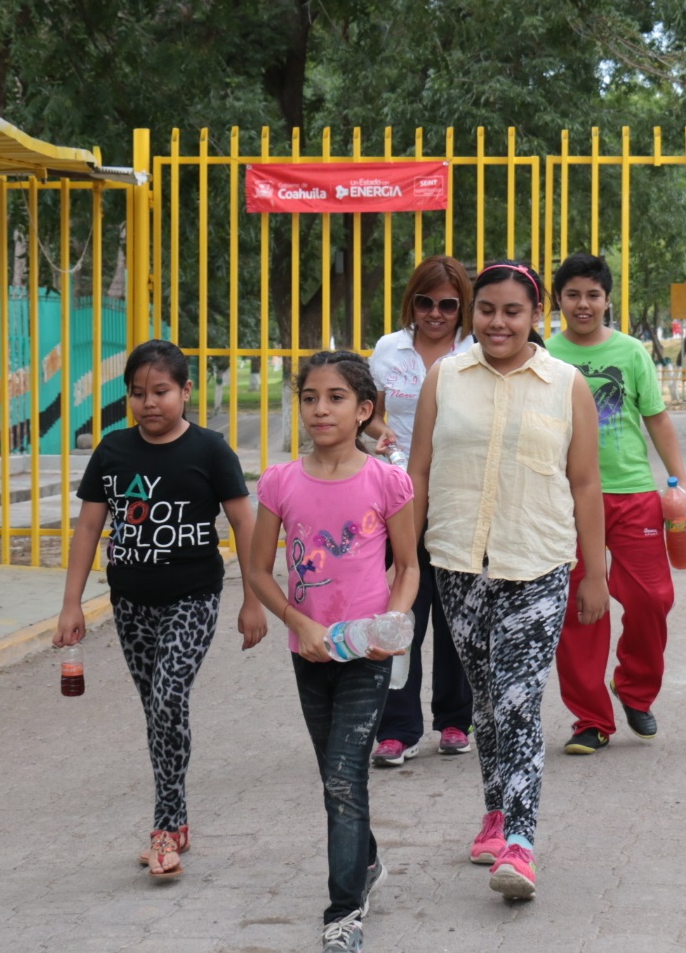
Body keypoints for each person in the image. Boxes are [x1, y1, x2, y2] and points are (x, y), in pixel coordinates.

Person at [407, 260, 607, 901]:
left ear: (534, 317)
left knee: (520, 700)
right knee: (490, 703)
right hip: (458, 562)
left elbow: (584, 482)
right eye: (487, 309)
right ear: (473, 315)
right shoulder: (445, 378)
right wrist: (405, 564)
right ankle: (495, 812)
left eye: (512, 311)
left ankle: (520, 842)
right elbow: (419, 471)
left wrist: (593, 573)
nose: (498, 322)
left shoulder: (565, 383)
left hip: (538, 564)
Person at [53, 338, 266, 879]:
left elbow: (245, 523)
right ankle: (180, 816)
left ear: (186, 391)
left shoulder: (210, 451)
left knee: (169, 695)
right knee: (158, 711)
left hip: (193, 597)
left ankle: (165, 827)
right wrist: (72, 603)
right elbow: (88, 528)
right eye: (137, 393)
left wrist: (252, 601)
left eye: (161, 391)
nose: (149, 403)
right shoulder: (113, 451)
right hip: (130, 602)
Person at [245, 350, 420, 953]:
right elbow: (258, 570)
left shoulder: (386, 480)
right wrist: (297, 621)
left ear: (364, 409)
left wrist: (391, 625)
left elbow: (408, 566)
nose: (321, 409)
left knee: (345, 777)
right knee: (333, 775)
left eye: (336, 397)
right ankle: (366, 860)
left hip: (367, 658)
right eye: (311, 397)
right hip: (308, 651)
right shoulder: (280, 482)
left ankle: (343, 910)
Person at [546, 253, 686, 755]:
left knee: (654, 598)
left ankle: (633, 689)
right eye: (573, 295)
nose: (583, 304)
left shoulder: (631, 352)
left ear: (607, 299)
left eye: (592, 294)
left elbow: (656, 419)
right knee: (582, 609)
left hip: (632, 494)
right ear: (559, 301)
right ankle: (591, 719)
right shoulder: (544, 354)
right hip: (565, 498)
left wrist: (678, 483)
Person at [366, 255, 474, 767]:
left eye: (448, 304)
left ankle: (455, 720)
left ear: (463, 308)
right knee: (401, 609)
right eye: (425, 302)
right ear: (412, 301)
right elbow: (368, 414)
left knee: (457, 612)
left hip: (461, 497)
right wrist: (376, 432)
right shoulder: (389, 349)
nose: (435, 313)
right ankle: (396, 728)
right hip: (398, 497)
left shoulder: (476, 350)